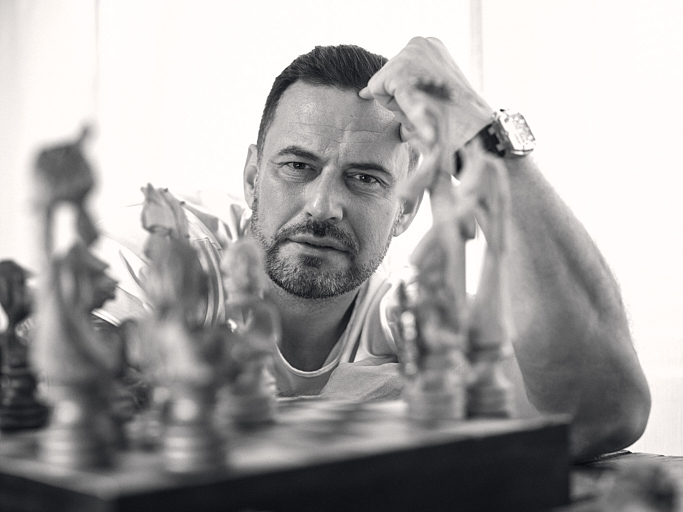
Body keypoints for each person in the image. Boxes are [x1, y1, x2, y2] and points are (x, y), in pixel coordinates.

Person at [96, 37, 650, 461]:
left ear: (405, 209)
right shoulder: (155, 251)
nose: (322, 206)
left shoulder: (411, 310)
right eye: (297, 166)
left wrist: (481, 135)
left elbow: (602, 412)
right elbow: (75, 411)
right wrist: (353, 412)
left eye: (365, 179)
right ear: (251, 179)